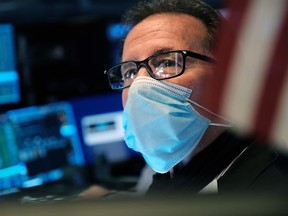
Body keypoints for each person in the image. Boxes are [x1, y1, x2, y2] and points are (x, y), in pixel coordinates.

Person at [103, 0, 288, 197]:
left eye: (166, 62)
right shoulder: (173, 176)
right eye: (130, 72)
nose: (140, 84)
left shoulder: (270, 190)